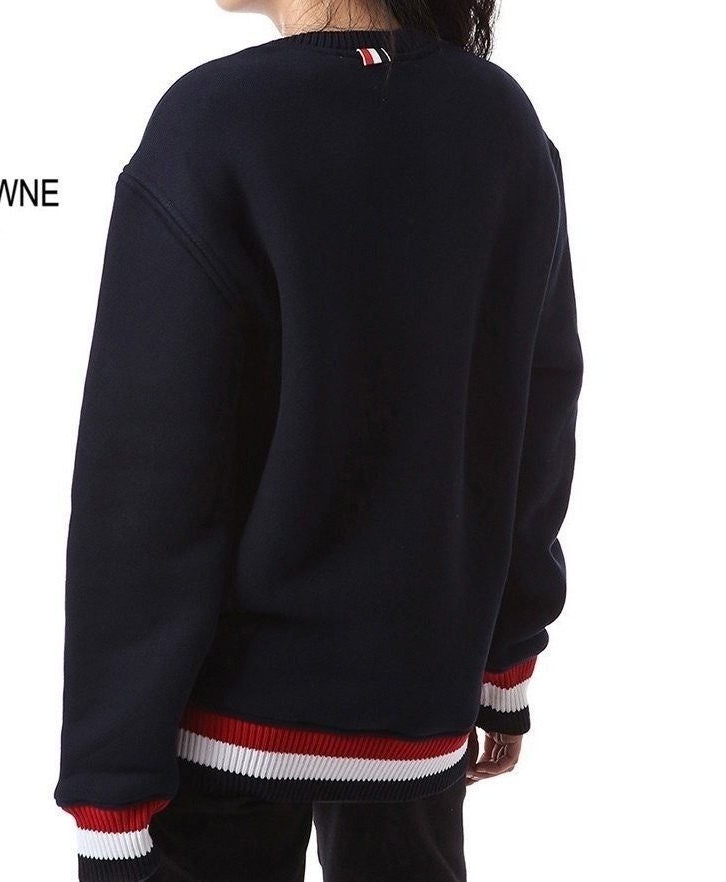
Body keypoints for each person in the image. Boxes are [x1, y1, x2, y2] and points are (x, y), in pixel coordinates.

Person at [53, 0, 584, 880]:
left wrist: (108, 788)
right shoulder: (501, 123)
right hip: (421, 719)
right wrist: (505, 663)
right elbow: (534, 411)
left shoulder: (213, 123)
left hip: (226, 734)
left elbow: (143, 477)